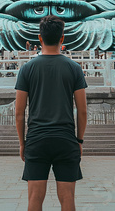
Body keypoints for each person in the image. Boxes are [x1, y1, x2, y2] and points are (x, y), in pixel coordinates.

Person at [15, 16, 88, 211]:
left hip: (36, 140)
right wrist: (79, 141)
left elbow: (19, 112)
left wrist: (23, 143)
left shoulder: (26, 69)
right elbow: (82, 110)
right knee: (68, 199)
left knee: (34, 199)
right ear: (62, 39)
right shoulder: (74, 68)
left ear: (40, 38)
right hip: (65, 140)